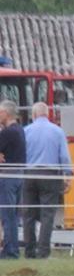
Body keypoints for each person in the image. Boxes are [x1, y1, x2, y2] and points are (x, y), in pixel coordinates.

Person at [23, 102, 73, 259]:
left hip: (29, 174)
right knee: (47, 214)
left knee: (28, 214)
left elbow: (22, 154)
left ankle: (29, 251)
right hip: (50, 174)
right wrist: (67, 175)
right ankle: (43, 251)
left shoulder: (26, 131)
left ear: (34, 114)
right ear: (48, 114)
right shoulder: (57, 131)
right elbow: (64, 156)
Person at [0, 100, 26, 258]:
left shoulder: (7, 133)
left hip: (7, 176)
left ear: (6, 113)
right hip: (18, 175)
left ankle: (10, 250)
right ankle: (12, 247)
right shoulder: (20, 130)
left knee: (7, 214)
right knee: (13, 215)